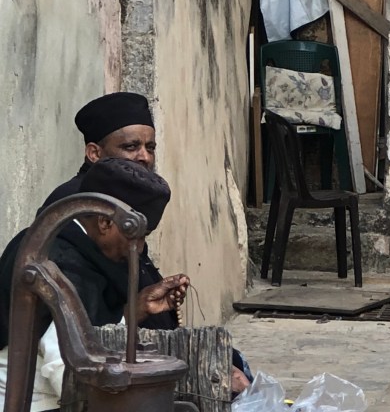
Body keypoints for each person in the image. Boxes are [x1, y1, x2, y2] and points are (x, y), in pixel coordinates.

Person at [39, 92, 250, 394]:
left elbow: (105, 306)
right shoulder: (74, 216)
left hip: (120, 347)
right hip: (86, 377)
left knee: (231, 363)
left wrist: (139, 308)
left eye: (150, 147)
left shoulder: (121, 201)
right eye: (130, 147)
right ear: (94, 153)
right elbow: (70, 364)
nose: (144, 157)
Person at [0, 158, 189, 412]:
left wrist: (132, 311)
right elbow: (66, 374)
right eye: (138, 237)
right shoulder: (60, 264)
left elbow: (86, 324)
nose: (139, 248)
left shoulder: (72, 245)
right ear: (105, 223)